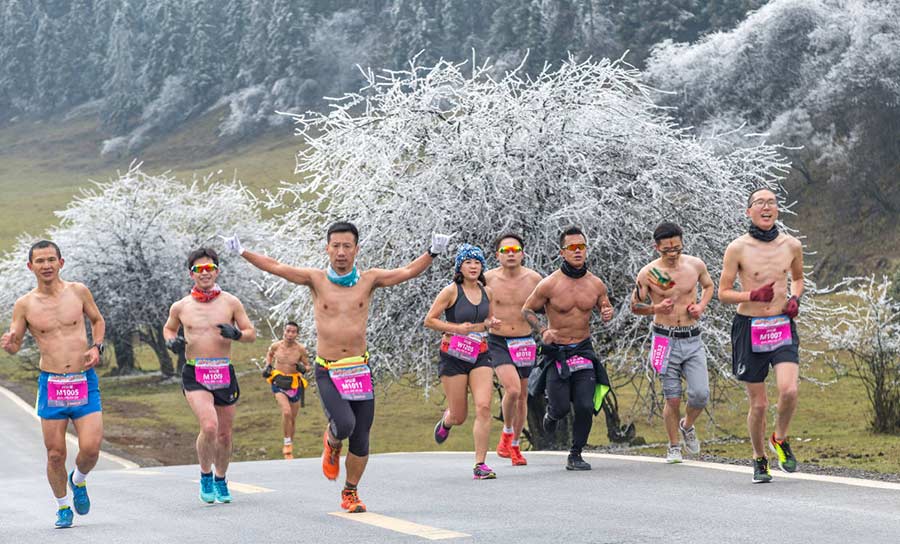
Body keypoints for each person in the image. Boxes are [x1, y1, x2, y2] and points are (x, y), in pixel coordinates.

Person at [222, 222, 451, 513]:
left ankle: (350, 492)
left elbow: (406, 272)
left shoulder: (370, 280)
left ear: (356, 249)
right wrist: (242, 250)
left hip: (359, 369)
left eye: (347, 246)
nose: (341, 252)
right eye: (336, 246)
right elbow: (276, 266)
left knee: (361, 436)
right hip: (328, 369)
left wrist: (432, 252)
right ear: (327, 248)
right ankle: (331, 442)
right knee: (343, 425)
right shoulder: (315, 280)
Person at [1, 240, 106, 528]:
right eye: (39, 261)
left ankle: (79, 480)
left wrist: (97, 347)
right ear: (30, 266)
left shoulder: (79, 291)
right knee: (56, 453)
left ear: (61, 262)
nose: (46, 265)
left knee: (91, 448)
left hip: (84, 381)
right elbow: (15, 342)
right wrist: (9, 344)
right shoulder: (24, 305)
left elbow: (97, 320)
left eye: (50, 259)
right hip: (52, 383)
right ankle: (62, 507)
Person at [719, 188, 804, 483]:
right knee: (759, 404)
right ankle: (759, 458)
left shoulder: (791, 245)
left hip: (781, 324)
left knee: (789, 390)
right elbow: (723, 293)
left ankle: (780, 438)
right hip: (750, 327)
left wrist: (795, 299)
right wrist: (751, 293)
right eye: (759, 203)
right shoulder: (737, 248)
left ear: (777, 209)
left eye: (771, 202)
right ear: (748, 211)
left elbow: (799, 278)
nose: (766, 207)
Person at [163, 248, 257, 503]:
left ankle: (220, 478)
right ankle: (205, 474)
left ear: (217, 270)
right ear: (191, 274)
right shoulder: (181, 306)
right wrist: (171, 342)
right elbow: (169, 329)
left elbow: (251, 332)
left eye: (209, 268)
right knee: (209, 425)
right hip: (196, 372)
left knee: (225, 434)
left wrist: (237, 334)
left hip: (223, 371)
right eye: (198, 269)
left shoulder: (231, 302)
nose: (204, 274)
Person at [522, 227, 615, 471]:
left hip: (583, 351)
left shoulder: (595, 284)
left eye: (581, 247)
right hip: (558, 352)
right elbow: (527, 310)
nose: (577, 252)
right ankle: (551, 415)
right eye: (572, 248)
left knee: (585, 406)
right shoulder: (549, 284)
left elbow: (605, 307)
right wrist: (543, 331)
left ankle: (575, 454)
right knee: (561, 408)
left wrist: (607, 312)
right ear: (562, 252)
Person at [631, 222, 713, 463]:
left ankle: (687, 425)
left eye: (677, 247)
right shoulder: (648, 273)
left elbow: (708, 286)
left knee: (700, 394)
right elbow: (635, 306)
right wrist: (656, 307)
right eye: (667, 249)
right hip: (663, 339)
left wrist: (701, 306)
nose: (673, 253)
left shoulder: (695, 265)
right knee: (672, 397)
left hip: (692, 336)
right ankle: (674, 446)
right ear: (657, 248)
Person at [425, 244, 502, 479]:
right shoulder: (450, 291)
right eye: (468, 262)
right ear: (460, 266)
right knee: (460, 415)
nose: (473, 266)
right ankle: (447, 421)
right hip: (454, 355)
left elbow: (487, 319)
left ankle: (480, 464)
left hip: (479, 353)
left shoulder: (487, 292)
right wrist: (456, 328)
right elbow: (430, 320)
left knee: (484, 406)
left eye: (477, 263)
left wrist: (491, 323)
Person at [484, 234, 542, 466]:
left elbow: (550, 303)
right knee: (513, 389)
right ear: (497, 254)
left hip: (524, 341)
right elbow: (474, 306)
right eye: (505, 250)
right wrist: (487, 322)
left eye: (515, 249)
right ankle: (507, 432)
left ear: (522, 253)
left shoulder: (534, 279)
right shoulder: (487, 279)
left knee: (522, 397)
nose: (510, 254)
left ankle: (515, 446)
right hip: (499, 342)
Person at [263, 321, 310, 459]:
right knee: (286, 412)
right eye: (288, 331)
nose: (290, 334)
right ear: (284, 331)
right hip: (278, 382)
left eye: (293, 332)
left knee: (292, 419)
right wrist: (268, 366)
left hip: (294, 384)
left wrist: (303, 368)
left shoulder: (300, 349)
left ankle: (290, 445)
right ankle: (286, 441)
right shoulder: (276, 346)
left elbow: (307, 366)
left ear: (297, 334)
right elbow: (270, 354)